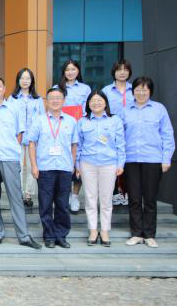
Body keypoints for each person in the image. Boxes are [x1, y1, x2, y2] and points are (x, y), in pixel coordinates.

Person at [0, 78, 42, 249]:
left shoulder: (14, 108)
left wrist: (13, 150)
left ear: (4, 88)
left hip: (10, 157)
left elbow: (19, 134)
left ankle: (24, 236)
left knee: (15, 197)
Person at [121, 77, 175, 248]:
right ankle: (137, 233)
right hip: (130, 159)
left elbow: (167, 135)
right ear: (133, 91)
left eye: (144, 90)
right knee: (134, 198)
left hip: (153, 159)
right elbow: (119, 136)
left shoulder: (159, 109)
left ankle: (150, 234)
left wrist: (166, 158)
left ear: (150, 91)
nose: (141, 93)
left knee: (150, 199)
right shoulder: (125, 110)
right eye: (138, 90)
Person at [28, 87, 79, 249]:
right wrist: (34, 166)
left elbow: (74, 145)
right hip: (45, 168)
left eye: (58, 98)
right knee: (45, 204)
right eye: (52, 98)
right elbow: (32, 144)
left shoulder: (71, 121)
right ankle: (49, 235)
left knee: (63, 204)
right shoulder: (39, 120)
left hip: (64, 167)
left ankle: (61, 235)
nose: (55, 101)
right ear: (47, 101)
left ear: (63, 100)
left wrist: (72, 165)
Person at [76, 91, 125, 247]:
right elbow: (78, 145)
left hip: (109, 164)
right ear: (88, 104)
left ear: (105, 103)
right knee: (90, 198)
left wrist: (120, 164)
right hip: (87, 163)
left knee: (106, 199)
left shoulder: (114, 120)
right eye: (93, 100)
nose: (96, 103)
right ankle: (92, 230)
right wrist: (77, 165)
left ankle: (104, 230)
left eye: (99, 100)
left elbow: (120, 144)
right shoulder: (82, 121)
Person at [56, 60, 91, 214]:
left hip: (80, 126)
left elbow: (88, 107)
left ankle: (75, 195)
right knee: (63, 158)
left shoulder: (85, 88)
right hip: (61, 129)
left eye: (73, 69)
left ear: (78, 71)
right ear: (63, 72)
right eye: (67, 69)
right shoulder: (57, 88)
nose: (70, 72)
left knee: (78, 160)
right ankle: (64, 194)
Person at [7, 68, 45, 209]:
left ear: (32, 81)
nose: (25, 81)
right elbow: (9, 118)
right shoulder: (12, 98)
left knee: (31, 166)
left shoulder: (38, 99)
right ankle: (18, 193)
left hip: (33, 138)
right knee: (17, 166)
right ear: (18, 80)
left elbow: (42, 118)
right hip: (16, 137)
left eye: (28, 78)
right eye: (22, 78)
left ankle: (28, 194)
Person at [102, 59, 134, 206]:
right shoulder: (107, 90)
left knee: (129, 163)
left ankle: (127, 192)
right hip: (112, 132)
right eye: (119, 69)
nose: (122, 72)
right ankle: (115, 193)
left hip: (131, 131)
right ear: (113, 72)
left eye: (125, 69)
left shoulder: (135, 89)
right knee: (113, 160)